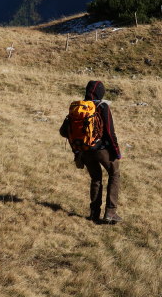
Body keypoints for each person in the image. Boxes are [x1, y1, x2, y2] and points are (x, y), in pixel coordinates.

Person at [60, 80, 123, 224]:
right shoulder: (102, 106)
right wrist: (116, 151)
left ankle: (94, 213)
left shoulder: (78, 108)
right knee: (114, 174)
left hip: (84, 151)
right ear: (101, 92)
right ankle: (110, 212)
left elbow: (64, 131)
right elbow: (109, 131)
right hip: (102, 150)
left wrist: (78, 148)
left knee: (96, 179)